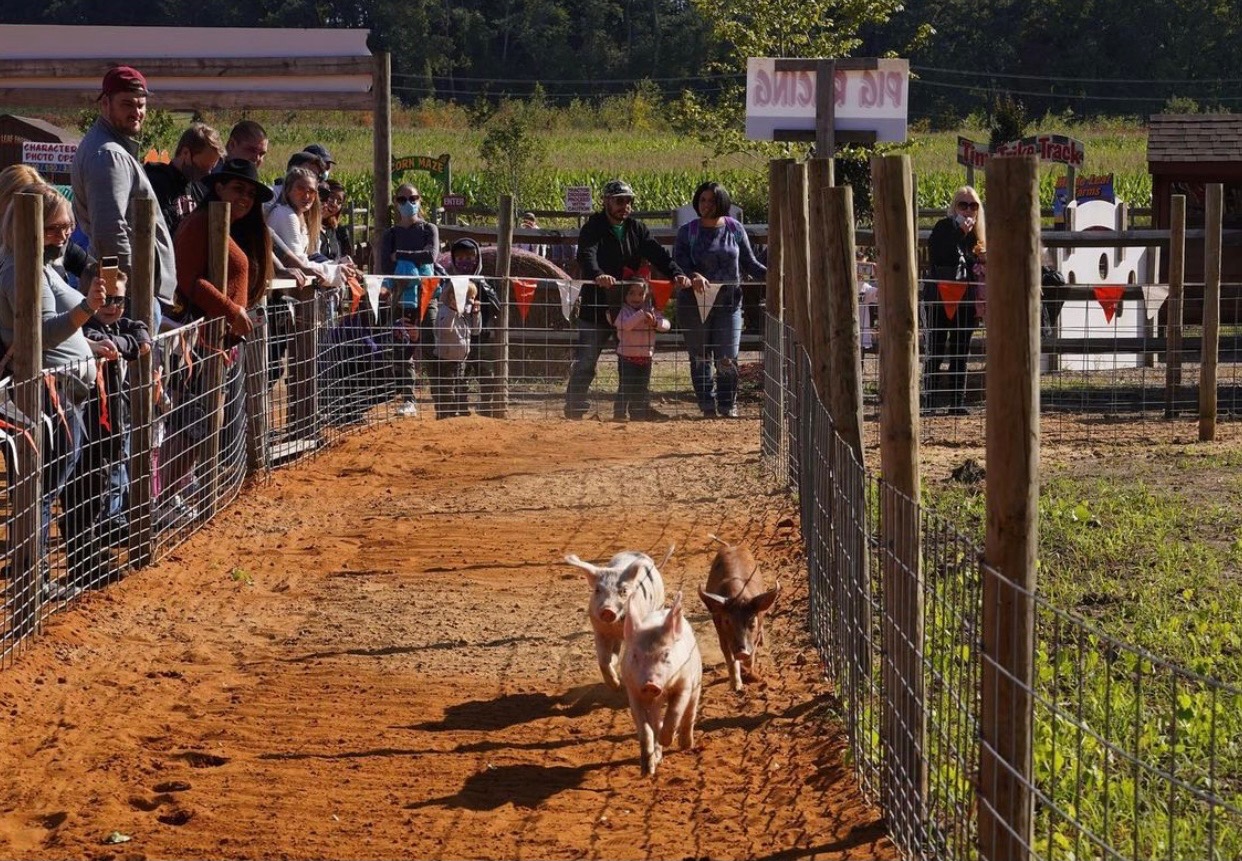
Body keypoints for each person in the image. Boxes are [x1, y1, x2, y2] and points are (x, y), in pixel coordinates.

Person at [0, 183, 111, 595]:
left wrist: (90, 342)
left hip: (65, 390)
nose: (64, 236)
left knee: (50, 485)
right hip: (49, 394)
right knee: (42, 488)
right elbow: (39, 333)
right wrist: (87, 309)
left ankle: (35, 575)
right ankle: (32, 580)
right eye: (53, 229)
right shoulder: (19, 270)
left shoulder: (43, 266)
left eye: (66, 227)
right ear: (28, 228)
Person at [165, 159, 274, 514]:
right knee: (189, 420)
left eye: (250, 193)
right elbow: (185, 279)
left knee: (202, 419)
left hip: (218, 341)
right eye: (237, 189)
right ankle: (164, 498)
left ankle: (175, 490)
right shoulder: (200, 223)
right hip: (199, 340)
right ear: (218, 188)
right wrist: (231, 311)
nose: (245, 197)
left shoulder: (227, 227)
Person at [567, 178, 689, 419]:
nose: (625, 205)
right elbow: (586, 255)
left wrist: (677, 273)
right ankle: (575, 406)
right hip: (597, 303)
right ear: (606, 202)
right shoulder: (593, 227)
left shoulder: (637, 229)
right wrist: (597, 274)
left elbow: (657, 253)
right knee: (586, 359)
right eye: (619, 201)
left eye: (628, 201)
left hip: (630, 304)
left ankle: (637, 407)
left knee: (637, 358)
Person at [70, 65, 178, 316]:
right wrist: (132, 291)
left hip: (129, 292)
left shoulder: (110, 149)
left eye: (141, 105)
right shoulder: (109, 155)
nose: (137, 112)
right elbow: (110, 232)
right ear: (105, 104)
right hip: (130, 298)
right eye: (127, 104)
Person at [673, 180, 765, 418]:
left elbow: (750, 263)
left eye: (711, 200)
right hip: (694, 303)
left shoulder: (735, 229)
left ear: (722, 202)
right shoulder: (688, 232)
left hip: (729, 302)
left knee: (727, 355)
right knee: (700, 355)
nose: (706, 205)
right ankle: (706, 404)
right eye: (702, 200)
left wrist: (775, 276)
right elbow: (678, 265)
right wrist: (693, 275)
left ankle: (727, 404)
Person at [924, 186, 985, 414]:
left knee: (961, 351)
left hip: (967, 299)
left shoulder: (978, 236)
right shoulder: (944, 227)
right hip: (940, 295)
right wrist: (959, 231)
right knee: (936, 348)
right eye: (963, 204)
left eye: (973, 205)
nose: (968, 210)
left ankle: (957, 403)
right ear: (954, 207)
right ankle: (929, 401)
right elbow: (940, 253)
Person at [380, 183, 440, 417]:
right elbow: (387, 265)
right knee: (403, 348)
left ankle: (442, 398)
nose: (408, 203)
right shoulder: (391, 234)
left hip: (427, 296)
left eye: (412, 198)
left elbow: (431, 256)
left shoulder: (428, 229)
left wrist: (402, 256)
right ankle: (408, 398)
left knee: (432, 342)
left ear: (420, 199)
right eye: (402, 199)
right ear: (396, 203)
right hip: (401, 298)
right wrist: (411, 262)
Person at [266, 166, 355, 288]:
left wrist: (335, 265)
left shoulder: (300, 216)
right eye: (300, 189)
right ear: (287, 190)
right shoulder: (286, 215)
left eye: (311, 191)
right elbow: (298, 262)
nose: (306, 196)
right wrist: (335, 270)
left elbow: (309, 257)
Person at [447, 238, 502, 416]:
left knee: (486, 374)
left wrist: (481, 299)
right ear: (454, 259)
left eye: (470, 256)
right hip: (458, 337)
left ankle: (485, 407)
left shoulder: (484, 282)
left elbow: (497, 305)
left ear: (477, 258)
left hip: (482, 336)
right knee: (459, 376)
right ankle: (461, 408)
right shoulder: (448, 281)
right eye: (460, 257)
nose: (465, 261)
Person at [144, 122, 224, 235]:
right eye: (202, 167)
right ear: (185, 153)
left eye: (211, 168)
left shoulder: (199, 191)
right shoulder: (156, 182)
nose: (207, 173)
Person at [613, 280, 670, 422]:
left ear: (647, 295)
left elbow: (666, 325)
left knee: (641, 388)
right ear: (624, 295)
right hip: (626, 357)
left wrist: (655, 322)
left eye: (640, 294)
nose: (636, 297)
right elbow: (625, 325)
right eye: (631, 293)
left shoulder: (653, 311)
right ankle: (619, 414)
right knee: (625, 387)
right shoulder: (623, 311)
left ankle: (637, 415)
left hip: (645, 357)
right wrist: (641, 315)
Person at [432, 280, 481, 419]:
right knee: (447, 389)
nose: (472, 301)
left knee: (461, 386)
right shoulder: (444, 311)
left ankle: (459, 411)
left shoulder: (466, 316)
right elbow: (444, 331)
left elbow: (476, 331)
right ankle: (444, 414)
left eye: (473, 298)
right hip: (445, 358)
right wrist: (453, 311)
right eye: (469, 297)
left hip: (461, 358)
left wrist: (476, 315)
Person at [318, 179, 354, 261]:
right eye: (331, 197)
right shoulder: (307, 226)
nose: (334, 203)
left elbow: (346, 259)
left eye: (339, 201)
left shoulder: (339, 231)